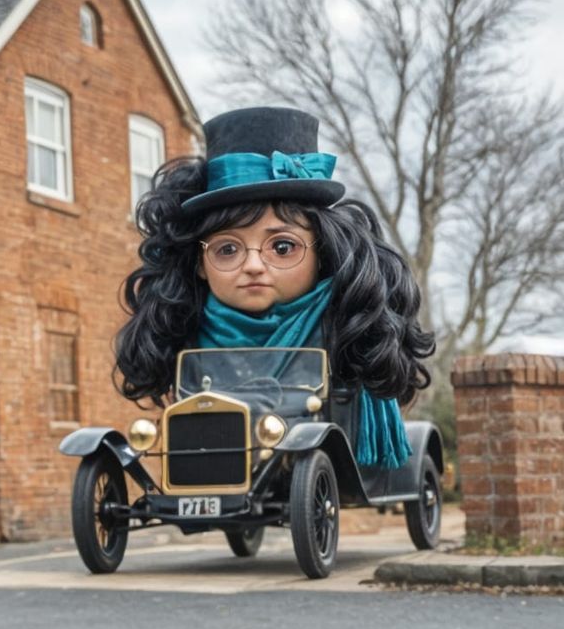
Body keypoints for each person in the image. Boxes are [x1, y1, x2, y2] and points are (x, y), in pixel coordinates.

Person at [116, 105, 434, 467]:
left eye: (283, 247)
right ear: (199, 264)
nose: (253, 265)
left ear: (323, 253)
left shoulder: (348, 322)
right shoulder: (182, 327)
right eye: (227, 249)